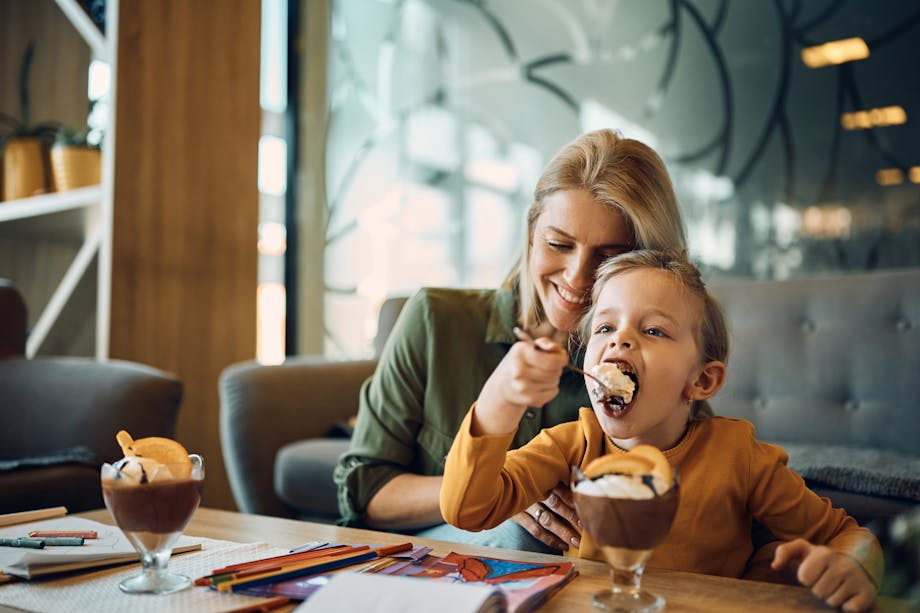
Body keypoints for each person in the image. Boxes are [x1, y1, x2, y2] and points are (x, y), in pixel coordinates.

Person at [440, 249, 883, 612]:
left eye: (653, 330)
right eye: (605, 327)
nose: (619, 340)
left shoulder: (738, 455)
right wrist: (500, 400)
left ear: (702, 381)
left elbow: (849, 535)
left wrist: (854, 568)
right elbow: (467, 509)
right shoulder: (569, 445)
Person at [334, 129, 688, 552]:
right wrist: (505, 494)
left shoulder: (659, 363)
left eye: (609, 258)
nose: (577, 278)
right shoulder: (435, 319)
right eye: (559, 244)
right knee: (519, 536)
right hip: (418, 562)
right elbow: (365, 492)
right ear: (531, 235)